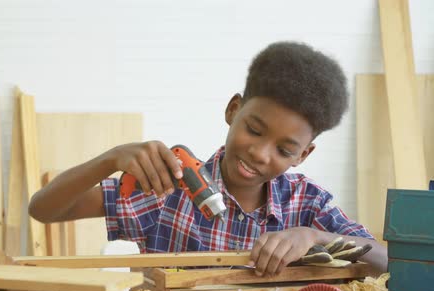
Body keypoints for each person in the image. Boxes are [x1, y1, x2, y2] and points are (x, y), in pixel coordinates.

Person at [28, 41, 387, 276]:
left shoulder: (306, 204)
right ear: (234, 110)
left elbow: (387, 260)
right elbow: (43, 209)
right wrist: (110, 160)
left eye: (284, 150)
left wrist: (314, 237)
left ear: (303, 155)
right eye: (255, 130)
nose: (260, 154)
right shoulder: (167, 187)